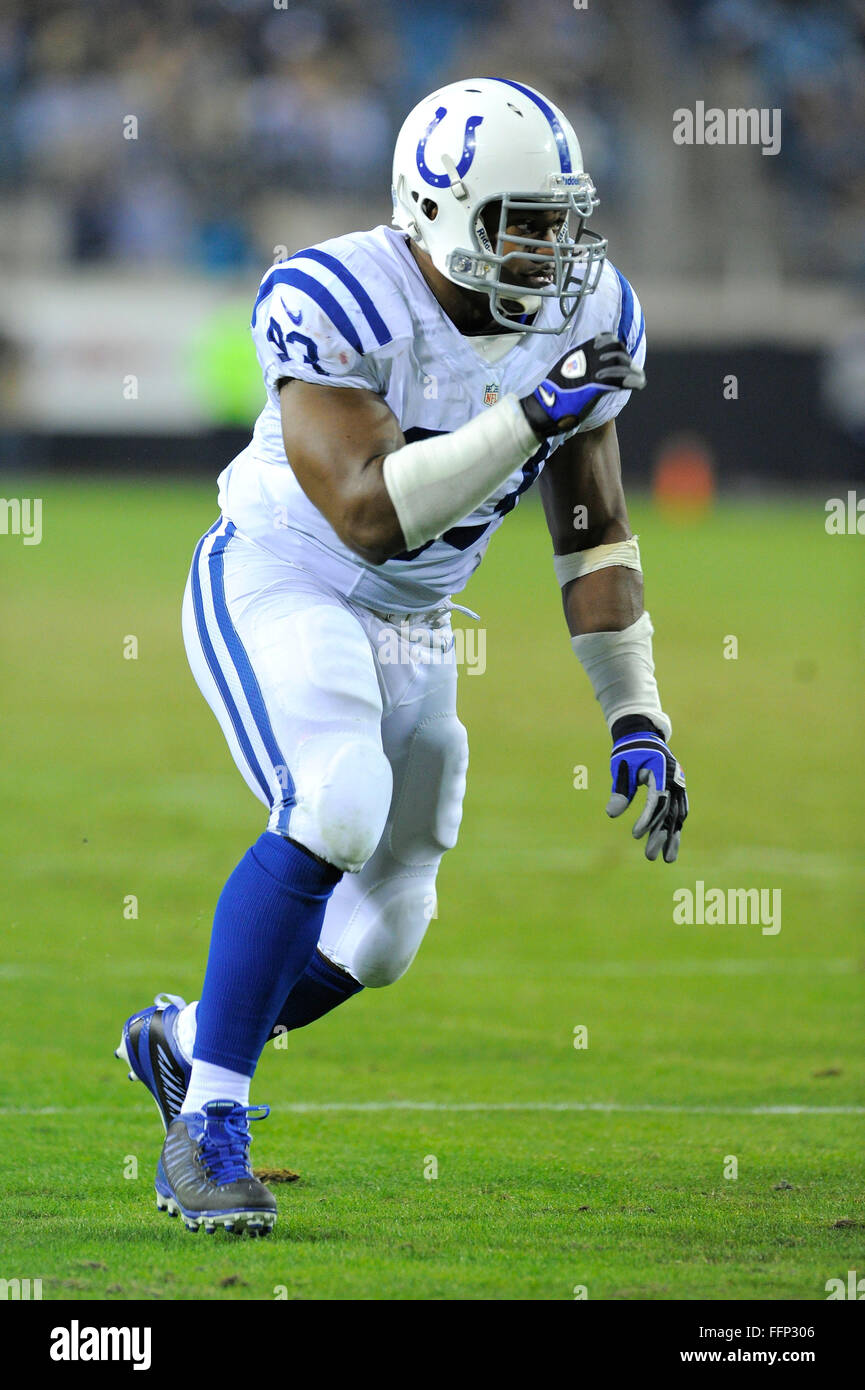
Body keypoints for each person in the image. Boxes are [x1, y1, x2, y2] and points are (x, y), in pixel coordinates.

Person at [116, 77, 688, 1237]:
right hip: (287, 574)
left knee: (384, 933)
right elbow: (369, 513)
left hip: (413, 621)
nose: (548, 250)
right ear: (434, 212)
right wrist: (531, 415)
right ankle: (209, 1125)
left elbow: (592, 535)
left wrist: (637, 713)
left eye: (560, 221)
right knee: (336, 799)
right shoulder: (338, 296)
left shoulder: (588, 318)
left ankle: (182, 1041)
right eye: (518, 222)